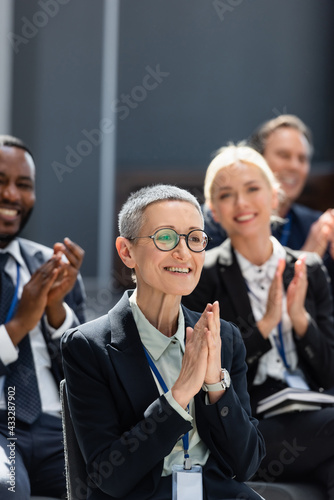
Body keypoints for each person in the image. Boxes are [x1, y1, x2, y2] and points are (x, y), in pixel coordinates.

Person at [61, 184, 265, 500]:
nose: (183, 252)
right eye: (166, 237)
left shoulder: (222, 336)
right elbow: (109, 476)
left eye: (195, 239)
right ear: (127, 252)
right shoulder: (88, 346)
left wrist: (214, 386)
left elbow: (246, 464)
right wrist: (180, 393)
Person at [183, 144, 334, 497]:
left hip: (317, 415)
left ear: (275, 196)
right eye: (226, 195)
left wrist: (299, 320)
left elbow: (329, 372)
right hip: (249, 427)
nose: (241, 203)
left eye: (252, 189)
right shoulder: (203, 275)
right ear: (214, 212)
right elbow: (206, 370)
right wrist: (265, 325)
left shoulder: (308, 269)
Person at [0, 135, 86, 499]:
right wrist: (21, 322)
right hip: (3, 425)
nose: (12, 196)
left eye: (24, 185)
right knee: (9, 489)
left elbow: (86, 368)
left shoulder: (50, 266)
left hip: (56, 425)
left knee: (113, 485)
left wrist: (54, 309)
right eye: (1, 182)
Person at [203, 114, 334, 299]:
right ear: (257, 160)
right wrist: (306, 258)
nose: (294, 166)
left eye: (302, 159)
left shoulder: (317, 225)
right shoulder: (214, 223)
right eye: (284, 155)